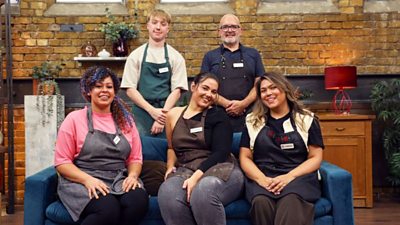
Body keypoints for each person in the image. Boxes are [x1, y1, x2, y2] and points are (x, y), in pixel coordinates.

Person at [54, 66, 149, 225]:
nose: (104, 90)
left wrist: (132, 176)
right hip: (83, 179)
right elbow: (62, 162)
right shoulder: (74, 119)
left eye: (109, 86)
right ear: (89, 90)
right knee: (108, 208)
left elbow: (135, 158)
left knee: (138, 201)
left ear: (114, 91)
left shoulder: (126, 121)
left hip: (118, 178)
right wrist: (87, 180)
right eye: (98, 86)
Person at [158, 72, 244, 225]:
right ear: (193, 87)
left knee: (203, 191)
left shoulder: (219, 116)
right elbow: (171, 148)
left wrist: (196, 178)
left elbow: (221, 153)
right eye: (205, 88)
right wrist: (170, 166)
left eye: (214, 92)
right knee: (167, 191)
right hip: (186, 169)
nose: (209, 94)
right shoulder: (173, 115)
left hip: (222, 169)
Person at [239, 72, 324, 225]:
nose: (268, 93)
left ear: (284, 89)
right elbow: (245, 157)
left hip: (298, 177)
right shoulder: (252, 121)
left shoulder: (306, 119)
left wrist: (289, 176)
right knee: (261, 202)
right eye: (263, 90)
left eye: (273, 88)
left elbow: (316, 157)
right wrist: (261, 179)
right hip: (264, 177)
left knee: (290, 202)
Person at [121, 9, 188, 137]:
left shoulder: (176, 57)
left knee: (167, 148)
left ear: (168, 28)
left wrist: (162, 116)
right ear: (148, 26)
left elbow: (177, 90)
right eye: (154, 22)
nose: (158, 27)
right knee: (140, 149)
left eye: (163, 24)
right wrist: (151, 111)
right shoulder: (136, 56)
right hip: (142, 112)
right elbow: (130, 88)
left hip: (167, 112)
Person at [201, 13, 265, 132]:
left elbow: (260, 83)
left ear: (241, 30)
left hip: (251, 115)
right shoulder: (209, 56)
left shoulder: (253, 54)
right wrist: (227, 104)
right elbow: (204, 87)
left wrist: (243, 104)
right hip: (218, 114)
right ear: (219, 31)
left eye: (233, 27)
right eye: (225, 27)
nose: (229, 30)